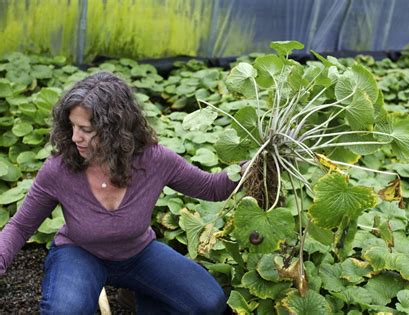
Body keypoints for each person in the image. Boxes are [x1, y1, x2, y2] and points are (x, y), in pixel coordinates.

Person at [0, 71, 238, 314]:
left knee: (209, 302)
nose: (75, 137)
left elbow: (212, 187)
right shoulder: (59, 170)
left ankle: (140, 299)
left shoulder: (154, 160)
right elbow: (20, 226)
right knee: (65, 310)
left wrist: (253, 166)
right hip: (80, 253)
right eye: (72, 126)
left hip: (138, 253)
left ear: (114, 129)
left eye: (86, 129)